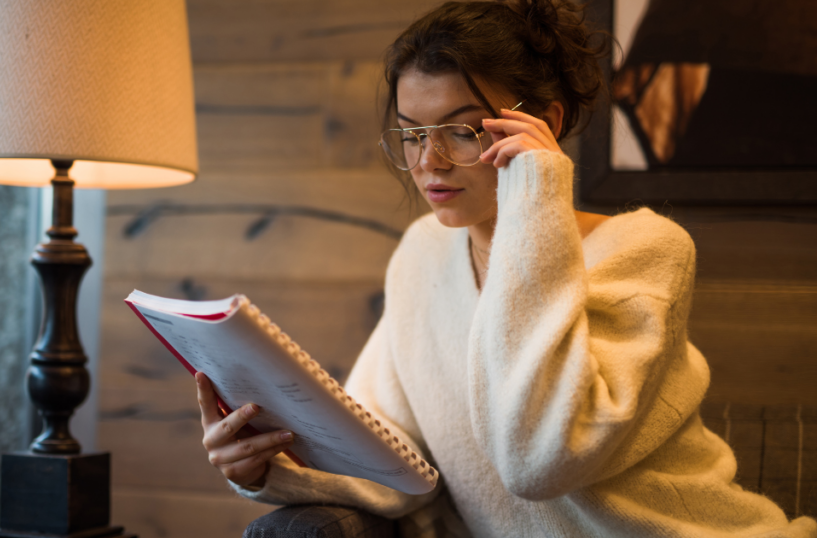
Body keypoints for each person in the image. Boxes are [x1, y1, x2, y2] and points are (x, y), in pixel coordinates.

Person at [194, 1, 817, 536]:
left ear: (540, 127)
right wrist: (267, 466)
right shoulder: (421, 254)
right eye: (412, 134)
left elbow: (540, 462)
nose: (429, 162)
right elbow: (394, 462)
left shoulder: (647, 251)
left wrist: (536, 194)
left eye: (463, 131)